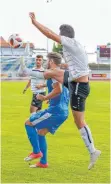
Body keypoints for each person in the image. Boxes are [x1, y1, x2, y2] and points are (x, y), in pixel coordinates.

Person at [19, 12, 101, 170]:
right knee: (52, 73)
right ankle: (27, 70)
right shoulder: (74, 47)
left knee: (79, 122)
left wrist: (35, 23)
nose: (59, 38)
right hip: (75, 81)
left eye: (60, 35)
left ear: (65, 36)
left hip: (78, 86)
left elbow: (50, 34)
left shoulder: (70, 42)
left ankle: (92, 150)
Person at [24, 52, 69, 168]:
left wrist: (45, 97)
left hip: (55, 111)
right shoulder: (61, 74)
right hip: (62, 111)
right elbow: (61, 90)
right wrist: (51, 97)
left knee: (28, 123)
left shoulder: (53, 74)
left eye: (47, 60)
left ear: (51, 62)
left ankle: (36, 151)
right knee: (41, 132)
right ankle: (43, 162)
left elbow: (58, 90)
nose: (46, 62)